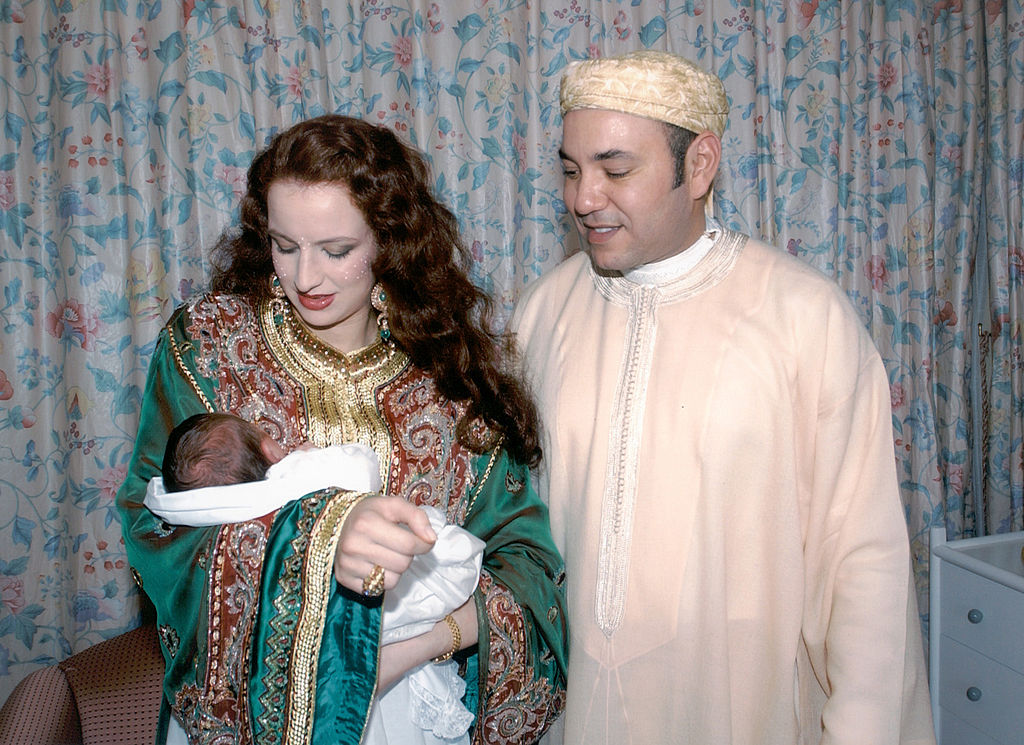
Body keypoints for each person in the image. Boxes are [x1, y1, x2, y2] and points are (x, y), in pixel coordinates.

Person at [510, 50, 936, 745]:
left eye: (616, 170)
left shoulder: (804, 318)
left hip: (743, 712)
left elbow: (862, 562)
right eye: (569, 169)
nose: (584, 197)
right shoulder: (540, 315)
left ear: (700, 165)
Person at [116, 114, 567, 745]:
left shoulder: (452, 387)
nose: (305, 278)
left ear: (389, 240)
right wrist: (321, 538)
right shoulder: (207, 351)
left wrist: (410, 652)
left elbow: (529, 566)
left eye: (336, 251)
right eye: (284, 244)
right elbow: (154, 526)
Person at [147, 412, 486, 745]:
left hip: (258, 665)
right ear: (269, 449)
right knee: (440, 555)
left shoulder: (196, 517)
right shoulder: (294, 476)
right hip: (355, 619)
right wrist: (303, 457)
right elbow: (360, 468)